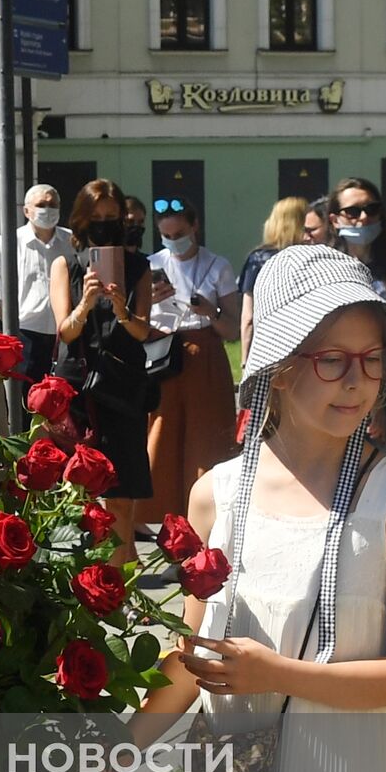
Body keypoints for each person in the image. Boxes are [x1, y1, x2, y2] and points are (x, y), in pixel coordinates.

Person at [128, 245, 386, 772]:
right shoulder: (217, 494)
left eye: (372, 359)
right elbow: (191, 660)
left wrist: (275, 672)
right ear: (279, 362)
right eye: (332, 358)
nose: (355, 381)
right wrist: (110, 750)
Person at [50, 179, 154, 565]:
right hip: (79, 386)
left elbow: (143, 330)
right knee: (77, 491)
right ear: (82, 220)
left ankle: (117, 578)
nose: (105, 224)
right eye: (97, 218)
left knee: (122, 494)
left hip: (122, 386)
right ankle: (81, 572)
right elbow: (64, 330)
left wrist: (121, 308)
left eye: (112, 217)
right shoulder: (66, 264)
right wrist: (88, 302)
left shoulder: (138, 267)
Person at [138, 195, 239, 527]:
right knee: (161, 438)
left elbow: (232, 329)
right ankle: (163, 522)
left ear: (195, 227)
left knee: (205, 440)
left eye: (179, 233)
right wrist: (149, 299)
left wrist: (210, 310)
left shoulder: (217, 265)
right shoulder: (150, 265)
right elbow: (133, 321)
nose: (174, 242)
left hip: (205, 354)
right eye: (167, 236)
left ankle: (204, 523)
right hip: (163, 354)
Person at [328, 177, 386, 460]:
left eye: (371, 209)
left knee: (377, 486)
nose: (364, 217)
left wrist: (378, 400)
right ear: (334, 219)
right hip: (336, 391)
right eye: (353, 212)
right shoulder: (325, 270)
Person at [0, 183, 76, 384]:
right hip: (24, 335)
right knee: (24, 400)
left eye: (52, 204)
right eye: (41, 204)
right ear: (27, 210)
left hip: (65, 335)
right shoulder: (9, 243)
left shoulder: (72, 242)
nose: (47, 210)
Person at [239, 196, 307, 363]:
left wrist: (245, 359)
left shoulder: (258, 259)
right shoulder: (313, 256)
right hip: (308, 345)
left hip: (269, 347)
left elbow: (249, 317)